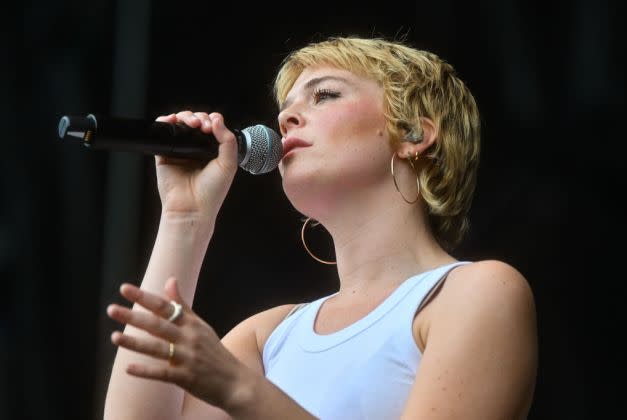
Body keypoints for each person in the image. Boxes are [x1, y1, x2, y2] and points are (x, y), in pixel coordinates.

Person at [104, 36, 538, 419]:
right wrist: (185, 218)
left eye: (325, 95)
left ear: (414, 135)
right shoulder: (268, 335)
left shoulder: (476, 292)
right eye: (286, 108)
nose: (286, 119)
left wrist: (241, 390)